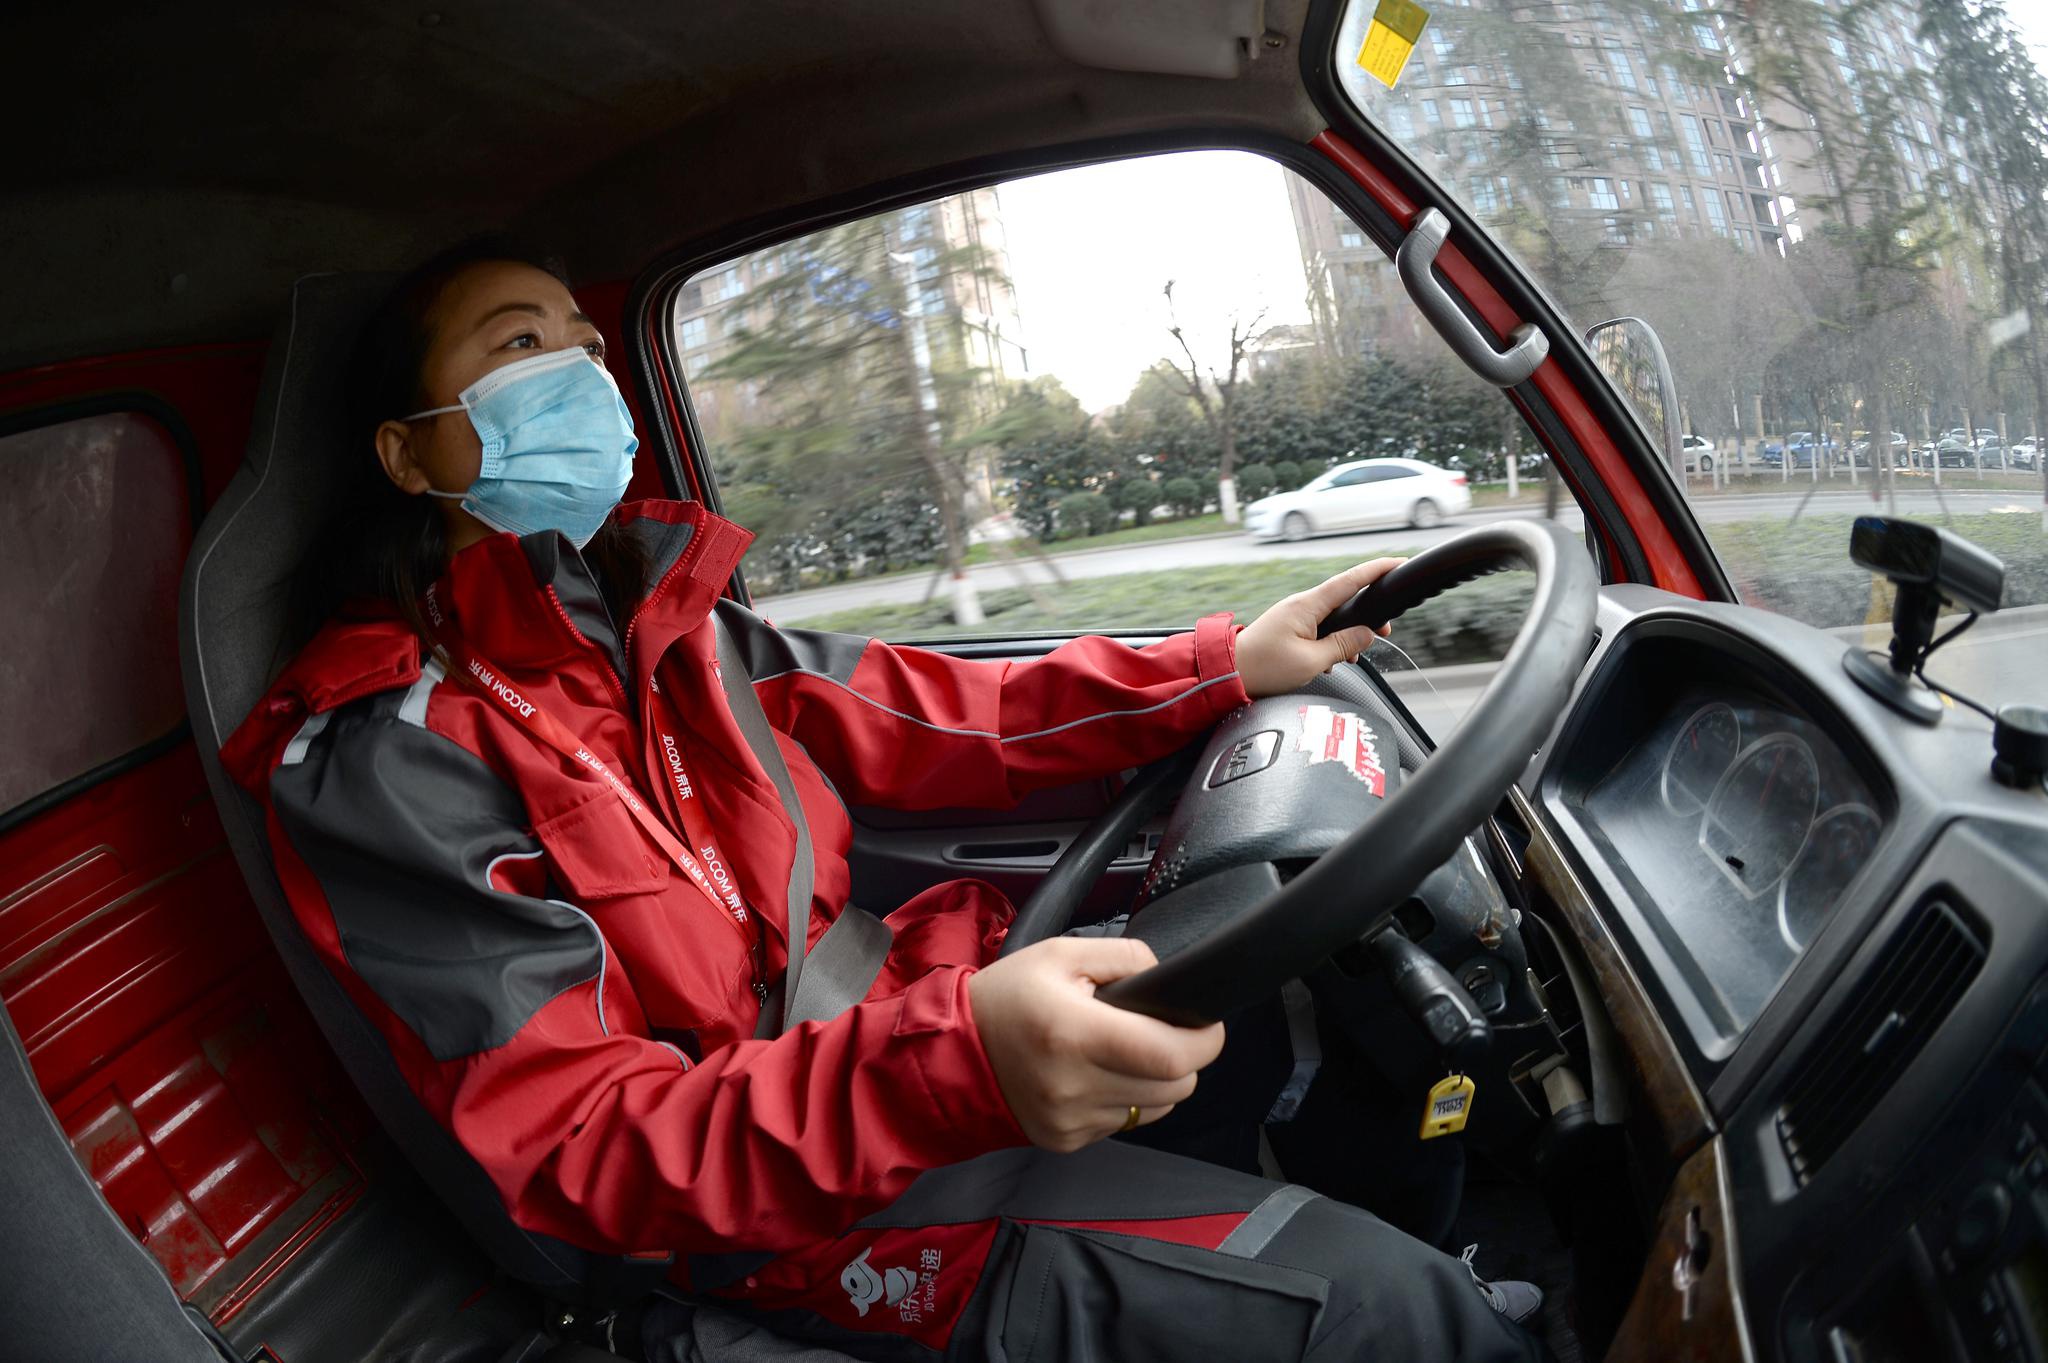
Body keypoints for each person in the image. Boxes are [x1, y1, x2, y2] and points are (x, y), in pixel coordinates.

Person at [223, 241, 1544, 1362]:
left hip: (907, 1038)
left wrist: (1219, 666)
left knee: (1318, 1028)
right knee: (1387, 1311)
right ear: (409, 455)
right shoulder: (381, 760)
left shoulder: (651, 621)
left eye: (587, 340)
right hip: (763, 1216)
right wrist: (956, 1066)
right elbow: (586, 1148)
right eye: (524, 346)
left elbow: (934, 710)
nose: (585, 373)